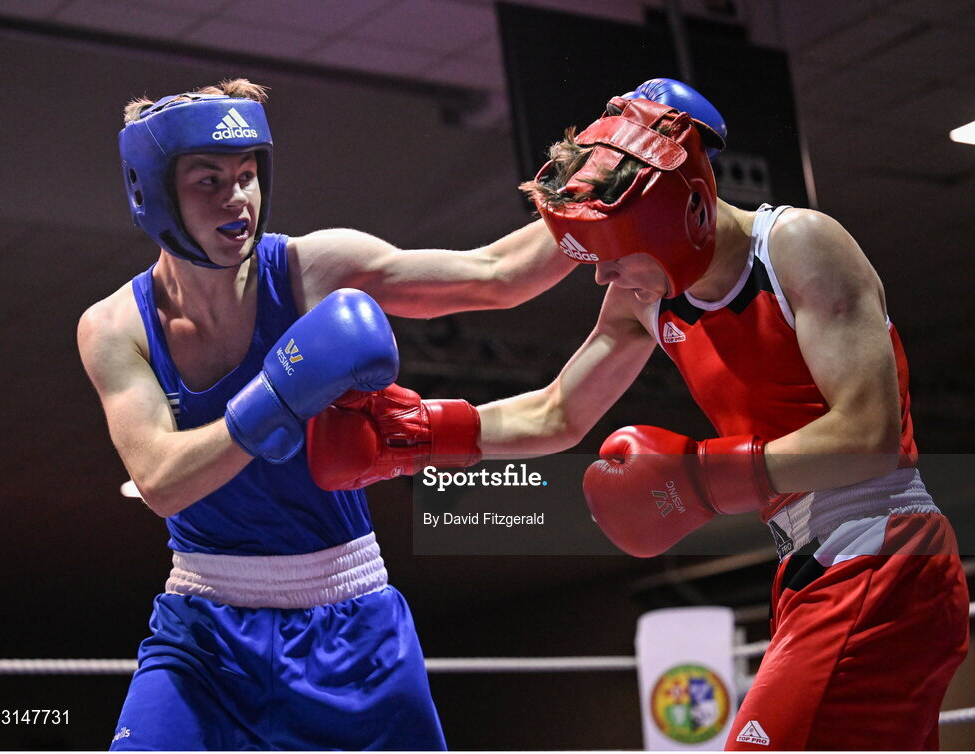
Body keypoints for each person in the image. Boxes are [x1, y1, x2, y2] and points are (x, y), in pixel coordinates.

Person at [307, 79, 970, 750]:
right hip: (813, 566)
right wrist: (422, 434)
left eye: (615, 255)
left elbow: (870, 435)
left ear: (682, 219)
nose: (602, 277)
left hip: (883, 552)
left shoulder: (799, 245)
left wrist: (704, 479)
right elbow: (559, 413)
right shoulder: (645, 296)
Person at [77, 78, 573, 750]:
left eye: (247, 175)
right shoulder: (115, 327)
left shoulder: (313, 270)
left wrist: (597, 206)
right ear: (155, 192)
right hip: (204, 634)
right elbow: (161, 480)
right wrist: (279, 395)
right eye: (209, 181)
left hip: (351, 620)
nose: (237, 200)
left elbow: (494, 275)